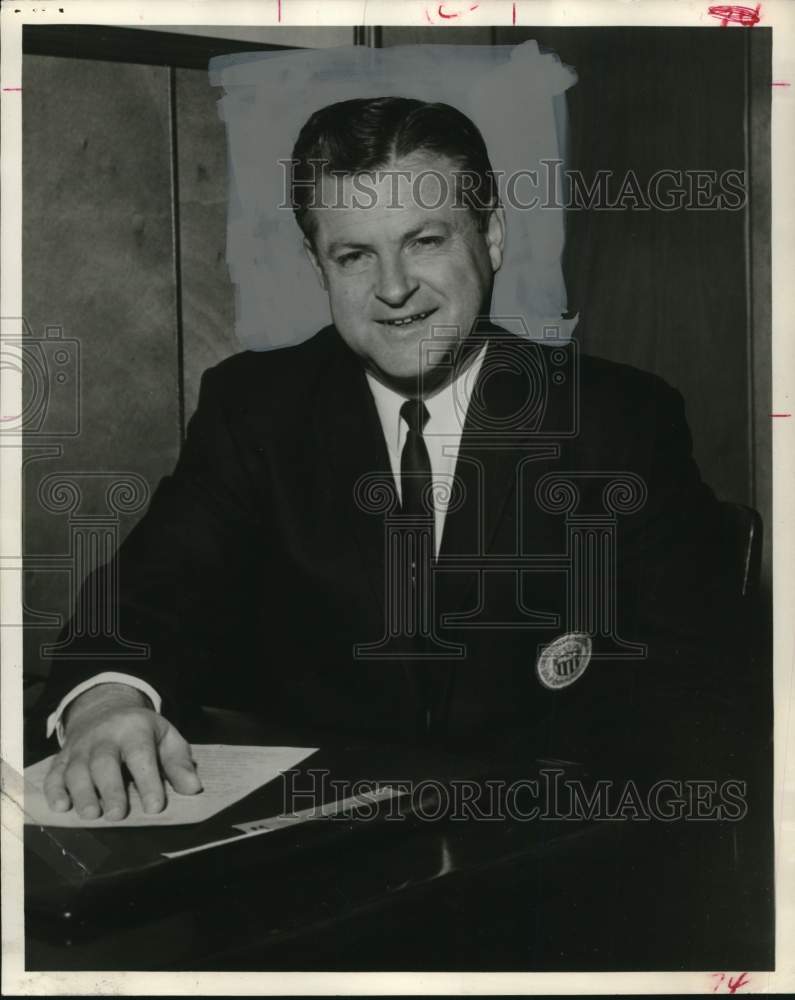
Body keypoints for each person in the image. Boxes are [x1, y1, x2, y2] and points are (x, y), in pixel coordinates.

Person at [34, 97, 747, 822]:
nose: (394, 287)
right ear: (318, 264)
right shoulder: (252, 409)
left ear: (491, 236)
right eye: (354, 254)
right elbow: (149, 592)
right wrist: (106, 698)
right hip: (308, 861)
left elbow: (691, 687)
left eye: (425, 241)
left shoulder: (618, 420)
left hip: (540, 853)